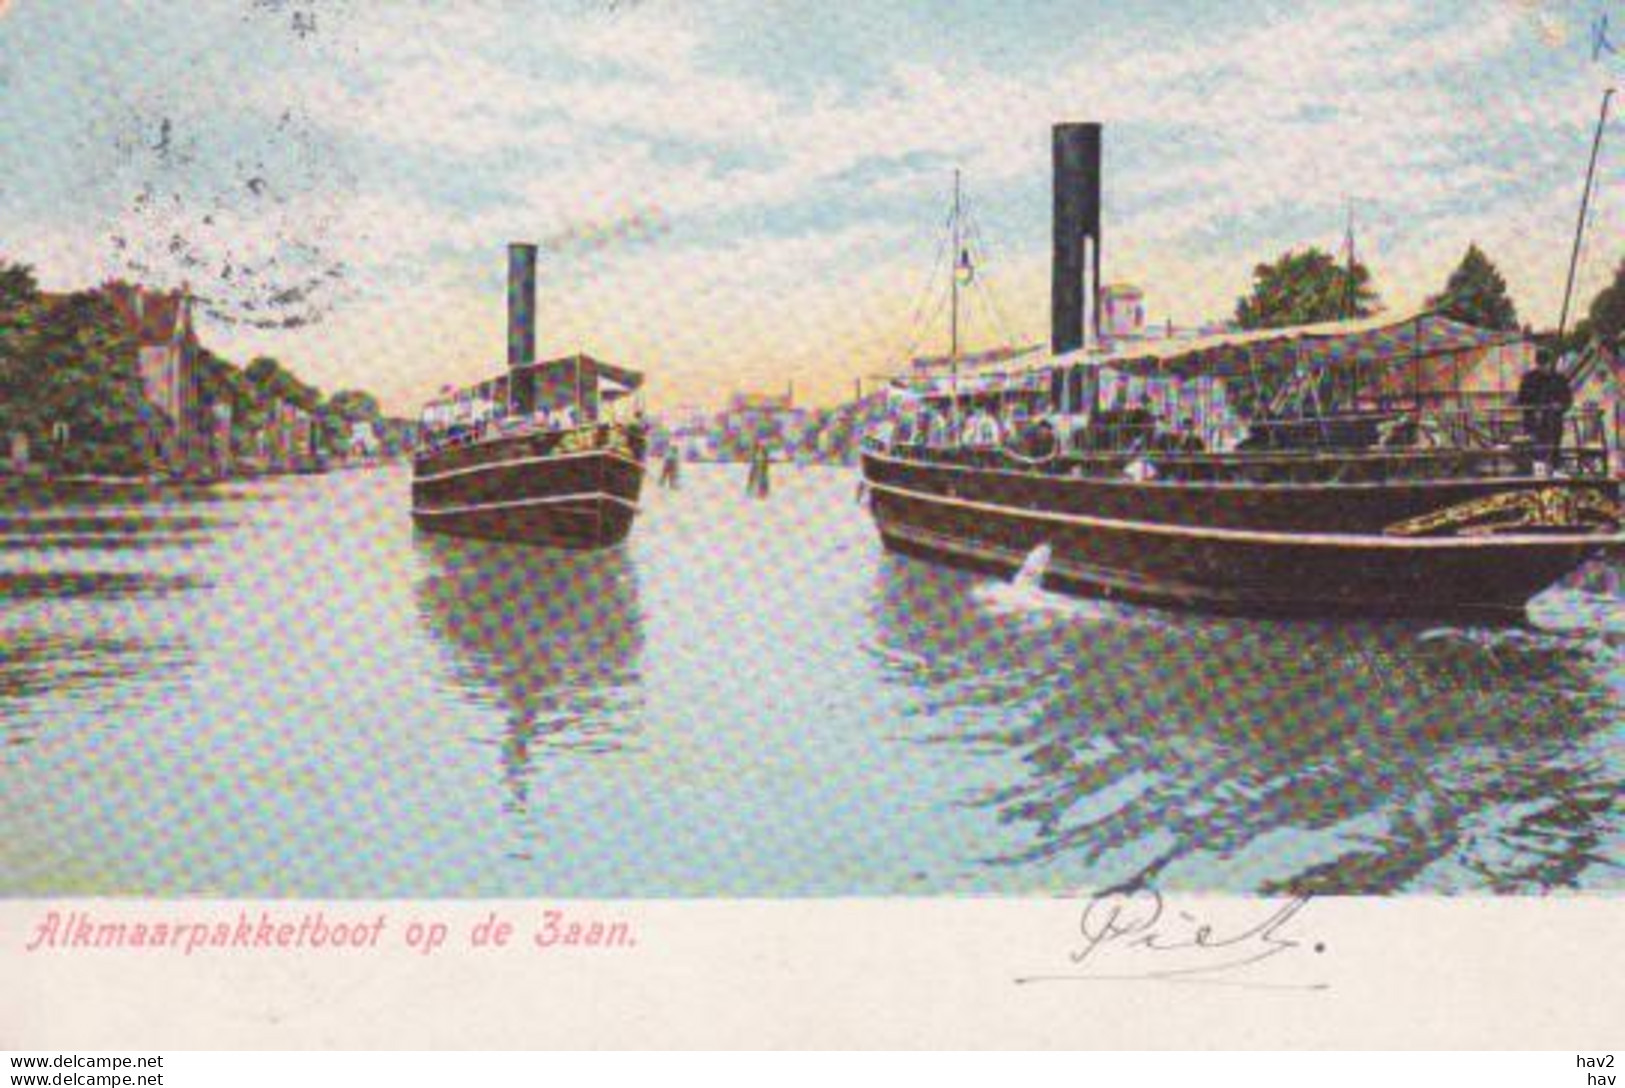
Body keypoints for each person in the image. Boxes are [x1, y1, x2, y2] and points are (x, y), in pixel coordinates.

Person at [1516, 348, 1573, 471]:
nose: (1543, 367)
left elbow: (1567, 400)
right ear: (1537, 363)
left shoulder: (1559, 379)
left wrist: (1560, 406)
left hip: (1554, 424)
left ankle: (1554, 472)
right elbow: (1521, 399)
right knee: (1534, 453)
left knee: (1553, 451)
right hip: (1534, 424)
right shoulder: (1528, 378)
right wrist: (1534, 407)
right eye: (1540, 363)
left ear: (1550, 362)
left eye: (1545, 363)